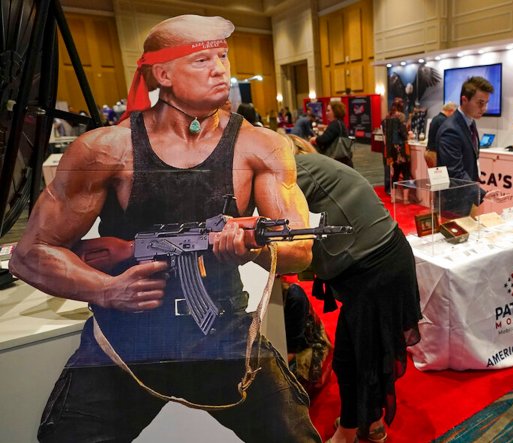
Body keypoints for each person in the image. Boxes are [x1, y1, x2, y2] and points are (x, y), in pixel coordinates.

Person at [9, 15, 321, 442]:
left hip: (221, 333)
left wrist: (248, 249)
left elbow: (299, 251)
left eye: (223, 57)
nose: (220, 69)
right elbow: (31, 254)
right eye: (201, 60)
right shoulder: (107, 149)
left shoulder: (260, 146)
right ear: (163, 74)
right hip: (125, 339)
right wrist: (105, 289)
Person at [288, 134, 422, 443]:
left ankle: (350, 432)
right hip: (378, 267)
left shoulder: (297, 170)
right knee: (359, 357)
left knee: (358, 360)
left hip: (375, 272)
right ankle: (370, 425)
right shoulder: (315, 167)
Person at [437, 76, 494, 216]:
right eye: (480, 103)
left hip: (467, 194)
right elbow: (455, 171)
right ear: (464, 100)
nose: (484, 108)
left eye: (486, 103)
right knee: (456, 236)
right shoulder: (451, 129)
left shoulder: (469, 122)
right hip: (454, 200)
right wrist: (482, 194)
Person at [382, 99, 412, 200]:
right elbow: (403, 133)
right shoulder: (401, 116)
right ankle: (405, 199)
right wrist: (408, 135)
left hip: (391, 150)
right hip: (401, 150)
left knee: (394, 174)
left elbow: (385, 134)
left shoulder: (387, 117)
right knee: (406, 173)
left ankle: (393, 198)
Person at [311, 101, 353, 167]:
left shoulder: (335, 124)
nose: (326, 113)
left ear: (335, 111)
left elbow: (323, 139)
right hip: (343, 161)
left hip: (338, 162)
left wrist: (314, 139)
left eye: (328, 111)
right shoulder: (339, 123)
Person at [425, 101, 457, 168]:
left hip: (429, 152)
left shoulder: (435, 118)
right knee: (439, 177)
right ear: (451, 111)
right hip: (435, 154)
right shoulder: (444, 121)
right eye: (454, 113)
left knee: (433, 176)